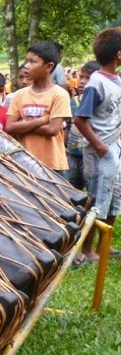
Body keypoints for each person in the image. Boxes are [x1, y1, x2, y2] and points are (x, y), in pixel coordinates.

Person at [72, 28, 121, 268]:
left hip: (114, 148)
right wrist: (100, 146)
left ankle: (105, 244)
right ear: (119, 55)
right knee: (96, 200)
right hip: (100, 151)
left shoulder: (117, 81)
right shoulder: (96, 83)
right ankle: (87, 249)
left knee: (113, 199)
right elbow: (80, 119)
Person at [6, 41, 71, 176]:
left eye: (33, 62)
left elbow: (52, 129)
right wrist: (42, 120)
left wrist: (23, 124)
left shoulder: (59, 95)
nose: (26, 67)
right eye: (26, 61)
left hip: (52, 164)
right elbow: (10, 127)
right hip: (25, 163)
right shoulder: (19, 95)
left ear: (48, 67)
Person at [66, 61, 101, 193]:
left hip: (93, 154)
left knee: (93, 189)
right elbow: (68, 125)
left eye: (88, 78)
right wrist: (64, 147)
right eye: (81, 77)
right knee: (73, 189)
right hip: (73, 154)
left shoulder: (100, 103)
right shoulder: (73, 102)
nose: (82, 81)